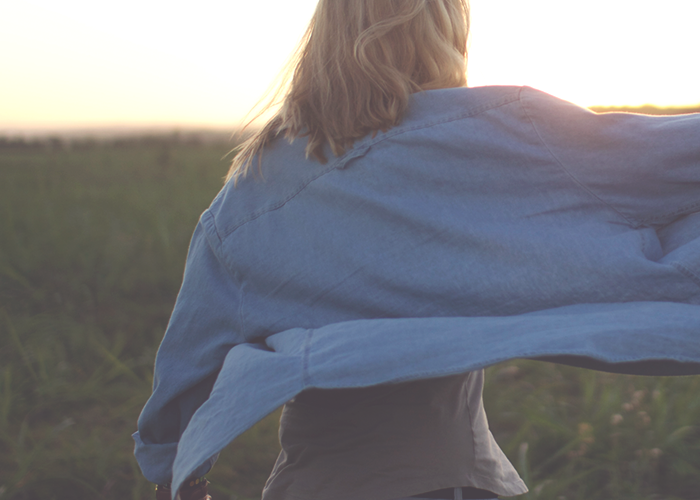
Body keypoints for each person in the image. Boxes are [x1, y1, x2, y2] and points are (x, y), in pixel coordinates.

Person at [133, 1, 700, 499]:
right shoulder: (498, 133)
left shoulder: (248, 198)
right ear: (441, 28)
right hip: (451, 481)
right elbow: (666, 159)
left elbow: (187, 366)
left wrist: (179, 473)